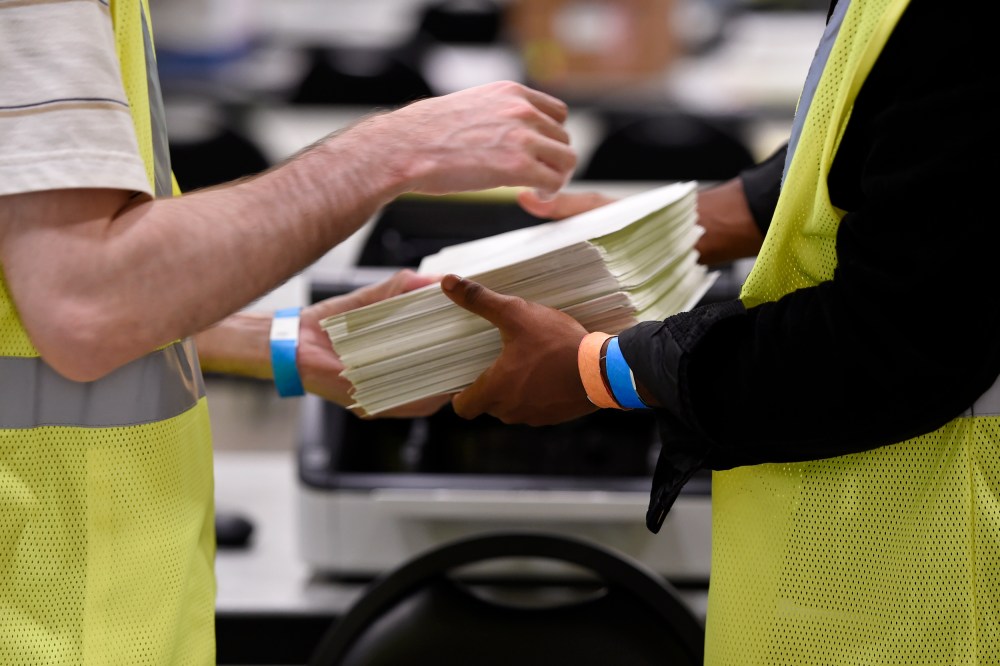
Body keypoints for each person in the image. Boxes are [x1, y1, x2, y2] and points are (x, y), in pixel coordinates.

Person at [0, 2, 576, 664]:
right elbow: (85, 302)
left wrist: (279, 342)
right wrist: (391, 150)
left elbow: (35, 285)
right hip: (46, 613)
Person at [439, 0, 998, 662]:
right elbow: (884, 141)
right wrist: (665, 230)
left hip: (939, 590)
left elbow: (896, 336)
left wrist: (600, 369)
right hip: (853, 566)